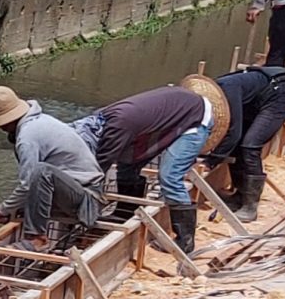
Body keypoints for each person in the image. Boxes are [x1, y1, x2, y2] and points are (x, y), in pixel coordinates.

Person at [73, 74, 228, 254]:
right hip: (173, 113)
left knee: (170, 176)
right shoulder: (101, 118)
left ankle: (185, 241)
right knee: (127, 163)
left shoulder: (118, 126)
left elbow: (100, 166)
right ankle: (126, 212)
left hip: (194, 119)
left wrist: (81, 191)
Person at [0, 86, 104, 249]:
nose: (1, 128)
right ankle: (28, 221)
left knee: (41, 171)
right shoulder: (40, 120)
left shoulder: (27, 138)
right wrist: (12, 208)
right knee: (36, 179)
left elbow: (27, 184)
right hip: (75, 190)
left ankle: (37, 237)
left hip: (87, 201)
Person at [202, 63, 285, 223]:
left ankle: (250, 206)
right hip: (257, 99)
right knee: (236, 147)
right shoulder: (217, 91)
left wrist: (210, 162)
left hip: (280, 97)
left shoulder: (227, 92)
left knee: (250, 145)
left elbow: (233, 132)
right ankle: (239, 195)